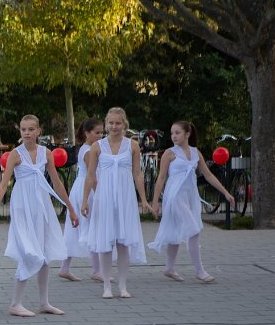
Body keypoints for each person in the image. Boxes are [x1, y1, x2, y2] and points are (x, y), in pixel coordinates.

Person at [0, 115, 79, 317]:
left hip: (41, 206)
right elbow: (3, 184)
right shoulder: (15, 154)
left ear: (38, 131)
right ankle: (16, 303)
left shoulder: (46, 154)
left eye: (31, 129)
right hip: (22, 206)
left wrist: (71, 208)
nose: (27, 133)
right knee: (29, 251)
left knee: (45, 252)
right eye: (23, 129)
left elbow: (56, 183)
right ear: (20, 132)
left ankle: (44, 302)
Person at [149, 121, 234, 282]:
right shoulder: (169, 153)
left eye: (177, 133)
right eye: (172, 133)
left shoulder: (196, 153)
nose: (173, 136)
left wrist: (225, 192)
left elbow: (208, 175)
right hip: (174, 196)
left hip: (190, 196)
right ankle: (200, 270)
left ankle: (169, 268)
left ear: (187, 134)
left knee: (175, 230)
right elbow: (160, 178)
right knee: (193, 230)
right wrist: (155, 202)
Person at [82, 107, 151, 299]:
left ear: (124, 124)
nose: (114, 126)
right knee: (105, 242)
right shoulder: (97, 147)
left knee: (123, 242)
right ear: (106, 125)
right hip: (104, 197)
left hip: (125, 197)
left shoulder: (133, 145)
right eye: (111, 123)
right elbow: (90, 176)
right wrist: (85, 200)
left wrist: (144, 199)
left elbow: (138, 174)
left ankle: (122, 285)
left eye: (118, 123)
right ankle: (106, 285)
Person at [59, 118, 104, 282]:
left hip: (80, 188)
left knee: (75, 228)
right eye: (97, 132)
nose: (100, 136)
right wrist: (99, 194)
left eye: (101, 132)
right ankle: (96, 269)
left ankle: (65, 267)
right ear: (87, 133)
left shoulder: (88, 149)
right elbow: (91, 176)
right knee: (93, 227)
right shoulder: (88, 151)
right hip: (87, 190)